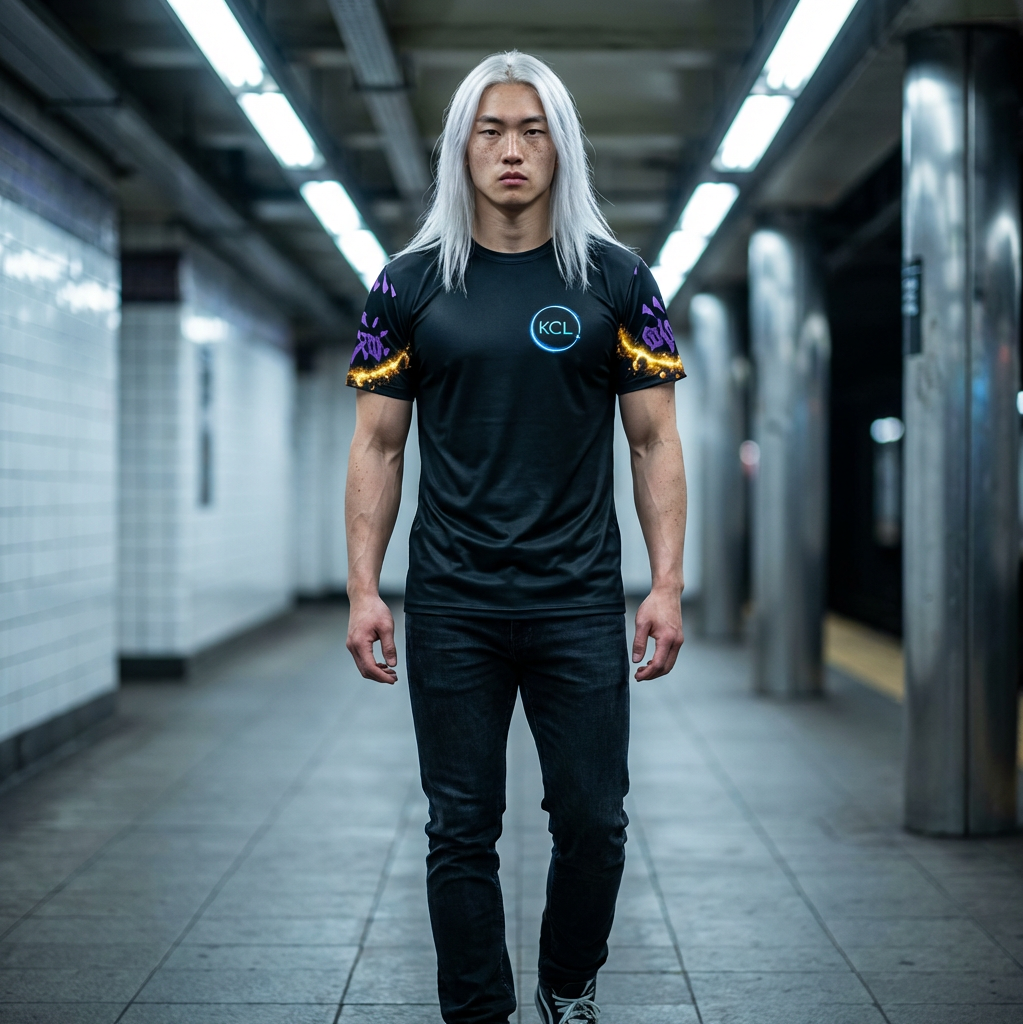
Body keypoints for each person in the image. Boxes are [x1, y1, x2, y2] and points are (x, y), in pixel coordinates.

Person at [344, 50, 687, 1024]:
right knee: (460, 828)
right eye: (489, 130)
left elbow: (654, 438)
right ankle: (477, 1012)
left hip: (578, 598)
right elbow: (376, 445)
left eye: (531, 130)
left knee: (593, 821)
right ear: (461, 149)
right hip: (449, 600)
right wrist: (366, 588)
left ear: (561, 150)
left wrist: (664, 584)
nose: (509, 149)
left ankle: (567, 980)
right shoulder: (408, 287)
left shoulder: (618, 282)